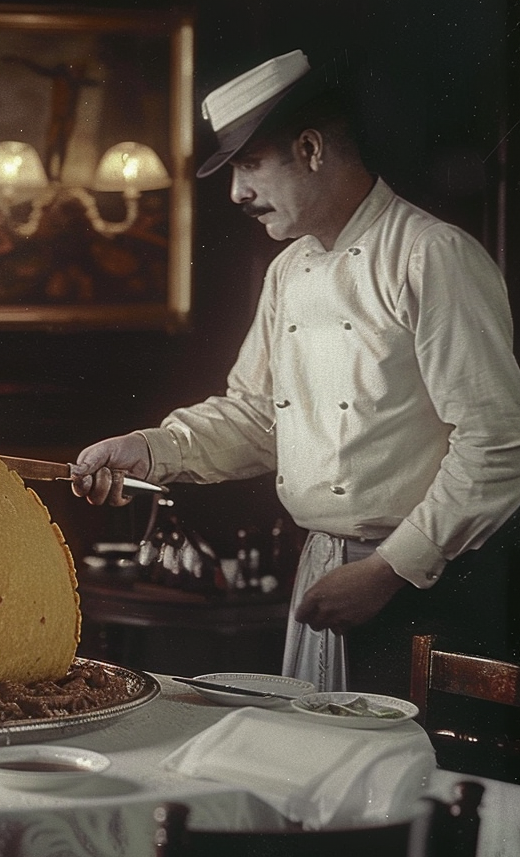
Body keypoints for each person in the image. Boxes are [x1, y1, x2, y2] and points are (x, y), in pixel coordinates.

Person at [69, 49, 520, 700]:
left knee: (396, 785)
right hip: (326, 570)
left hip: (427, 583)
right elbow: (255, 417)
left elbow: (498, 442)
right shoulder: (288, 271)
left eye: (250, 165)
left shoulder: (431, 255)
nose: (237, 193)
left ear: (310, 149)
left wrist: (392, 568)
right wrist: (147, 449)